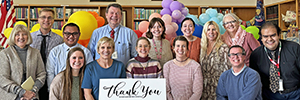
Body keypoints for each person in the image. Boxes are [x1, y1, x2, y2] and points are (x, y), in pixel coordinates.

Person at [250, 22, 300, 99]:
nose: (269, 39)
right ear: (261, 38)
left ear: (279, 35)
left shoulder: (294, 48)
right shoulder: (256, 54)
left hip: (295, 94)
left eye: (273, 35)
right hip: (269, 95)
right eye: (265, 36)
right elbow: (254, 79)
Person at [0, 25, 46, 100]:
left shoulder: (36, 53)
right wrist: (22, 92)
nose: (21, 37)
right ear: (13, 37)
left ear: (28, 36)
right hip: (11, 96)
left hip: (32, 96)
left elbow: (42, 74)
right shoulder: (5, 53)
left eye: (24, 34)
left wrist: (33, 91)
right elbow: (2, 79)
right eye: (17, 35)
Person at [46, 23, 93, 89]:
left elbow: (89, 72)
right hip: (59, 87)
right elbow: (50, 73)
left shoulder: (86, 52)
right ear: (63, 34)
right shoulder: (55, 51)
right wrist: (52, 89)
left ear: (79, 34)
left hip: (79, 88)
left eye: (74, 34)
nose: (71, 36)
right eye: (67, 34)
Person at [30, 8, 63, 100]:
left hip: (51, 77)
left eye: (49, 18)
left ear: (53, 21)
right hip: (34, 77)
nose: (46, 20)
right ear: (38, 20)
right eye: (43, 17)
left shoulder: (59, 40)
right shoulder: (30, 37)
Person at [199, 21, 231, 100]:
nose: (211, 32)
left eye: (214, 29)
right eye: (208, 29)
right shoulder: (203, 48)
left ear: (217, 32)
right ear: (205, 32)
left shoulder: (224, 48)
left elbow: (228, 70)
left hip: (218, 87)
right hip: (204, 88)